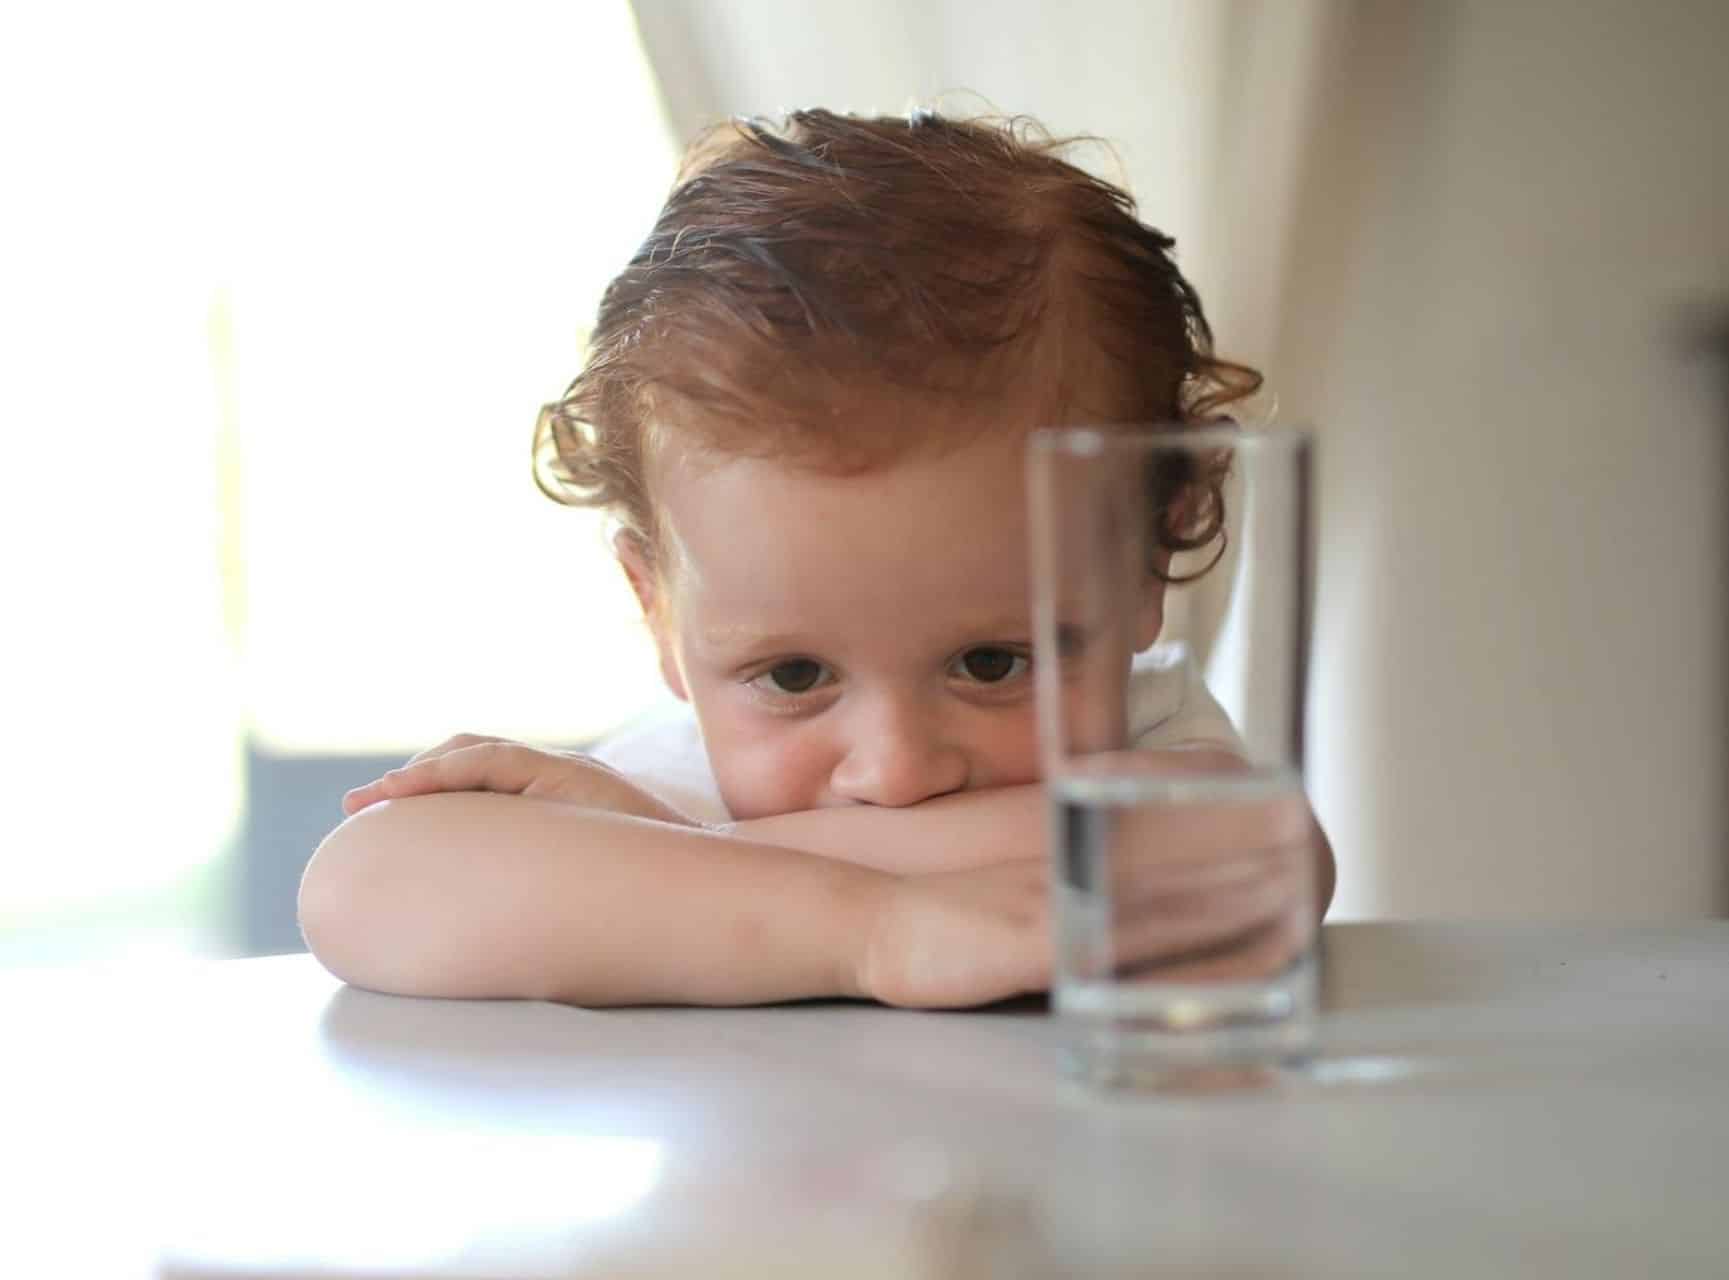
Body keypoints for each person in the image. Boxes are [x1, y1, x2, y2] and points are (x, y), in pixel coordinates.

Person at [297, 108, 1335, 1009]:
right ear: (658, 609)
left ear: (1150, 564)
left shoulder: (1150, 747)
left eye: (992, 661)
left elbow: (1252, 853)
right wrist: (876, 930)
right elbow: (360, 884)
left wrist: (680, 861)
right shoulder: (677, 772)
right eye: (795, 675)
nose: (894, 768)